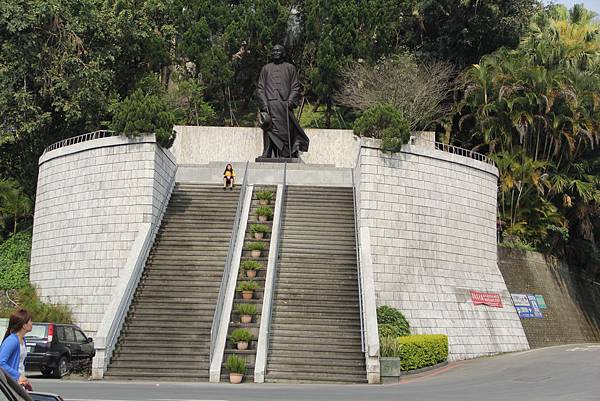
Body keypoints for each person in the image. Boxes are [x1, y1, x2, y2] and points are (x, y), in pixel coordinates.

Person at [256, 44, 309, 158]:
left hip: (284, 105)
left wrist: (289, 102)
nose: (276, 52)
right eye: (274, 51)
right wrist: (264, 104)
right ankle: (267, 152)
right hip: (269, 104)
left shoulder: (290, 68)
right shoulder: (266, 69)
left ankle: (285, 152)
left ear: (283, 53)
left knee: (285, 131)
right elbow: (260, 88)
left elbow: (295, 87)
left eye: (278, 51)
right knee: (268, 128)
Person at [0, 309, 33, 391]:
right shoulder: (12, 341)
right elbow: (1, 363)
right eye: (30, 321)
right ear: (24, 325)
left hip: (20, 383)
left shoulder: (23, 340)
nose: (32, 323)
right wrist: (18, 376)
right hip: (12, 384)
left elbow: (20, 363)